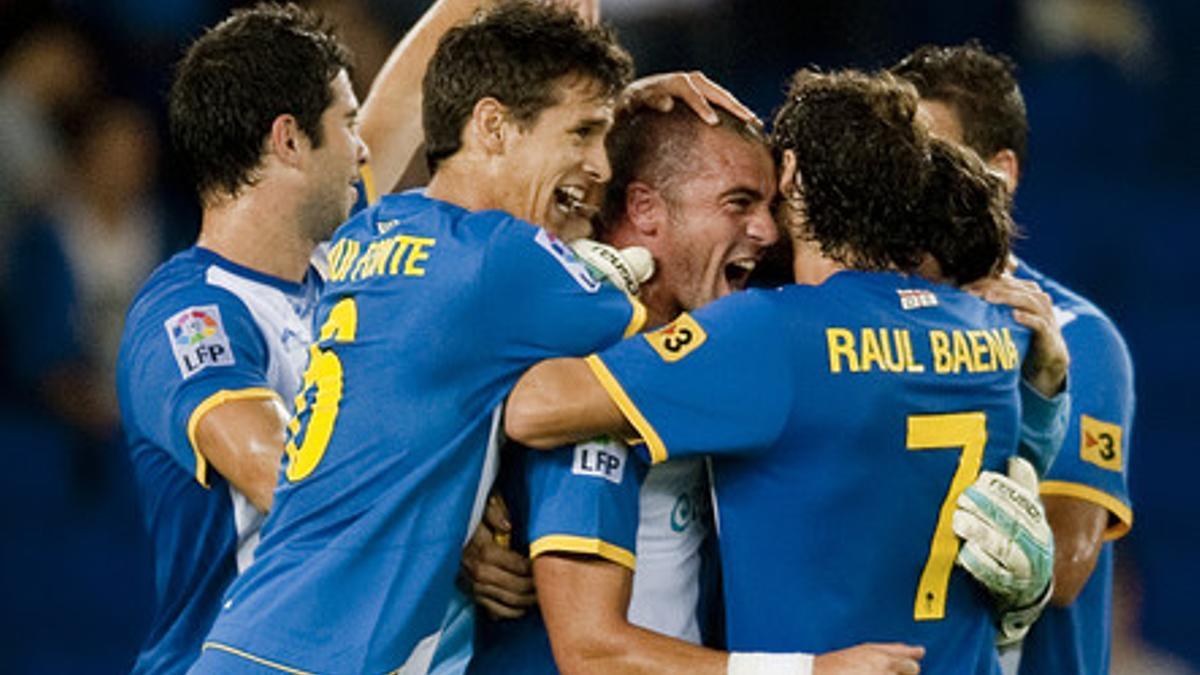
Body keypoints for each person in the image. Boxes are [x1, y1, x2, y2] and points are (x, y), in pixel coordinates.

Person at [502, 69, 1070, 675]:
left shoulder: (764, 332)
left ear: (795, 176)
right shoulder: (985, 326)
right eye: (741, 203)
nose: (766, 228)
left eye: (769, 201)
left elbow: (533, 408)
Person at [189, 3, 641, 672]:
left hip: (249, 638)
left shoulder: (369, 232)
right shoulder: (501, 259)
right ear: (492, 125)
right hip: (327, 657)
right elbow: (669, 333)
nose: (600, 164)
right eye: (582, 132)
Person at [115, 1, 486, 671]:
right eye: (345, 124)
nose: (364, 145)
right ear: (288, 140)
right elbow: (289, 476)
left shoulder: (337, 262)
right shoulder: (190, 312)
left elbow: (400, 102)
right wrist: (456, 533)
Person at [891, 42, 1135, 675]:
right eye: (897, 162)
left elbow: (1068, 563)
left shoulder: (1078, 338)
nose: (907, 185)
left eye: (931, 159)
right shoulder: (866, 317)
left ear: (1000, 172)